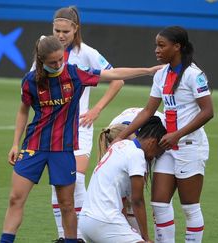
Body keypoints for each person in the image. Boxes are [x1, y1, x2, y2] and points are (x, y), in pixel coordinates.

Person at [0, 35, 161, 243]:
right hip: (34, 145)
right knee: (15, 199)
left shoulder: (74, 74)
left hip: (64, 149)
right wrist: (15, 143)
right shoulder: (30, 81)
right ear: (41, 61)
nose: (58, 65)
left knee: (67, 204)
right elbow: (23, 111)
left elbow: (113, 74)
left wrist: (147, 71)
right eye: (52, 62)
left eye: (60, 60)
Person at [113, 26, 214, 243]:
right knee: (158, 203)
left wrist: (177, 134)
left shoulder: (194, 75)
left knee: (190, 208)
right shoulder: (161, 75)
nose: (157, 50)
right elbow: (148, 111)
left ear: (177, 47)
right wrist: (121, 137)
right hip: (168, 147)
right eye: (156, 45)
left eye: (162, 45)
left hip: (190, 146)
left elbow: (208, 112)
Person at [47, 7, 125, 240]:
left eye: (65, 31)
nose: (60, 35)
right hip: (53, 127)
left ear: (75, 29)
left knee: (77, 180)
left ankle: (79, 236)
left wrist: (96, 109)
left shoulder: (87, 53)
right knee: (58, 184)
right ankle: (63, 236)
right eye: (56, 30)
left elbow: (117, 80)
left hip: (80, 126)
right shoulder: (45, 50)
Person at [79, 116, 167, 243]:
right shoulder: (137, 155)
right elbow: (138, 201)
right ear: (152, 142)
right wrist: (145, 237)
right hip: (104, 220)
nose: (155, 157)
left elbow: (122, 200)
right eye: (159, 152)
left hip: (86, 221)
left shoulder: (120, 145)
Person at [98, 108, 165, 234]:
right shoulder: (111, 135)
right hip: (128, 128)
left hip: (163, 134)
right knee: (127, 194)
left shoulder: (143, 143)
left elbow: (137, 197)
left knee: (153, 199)